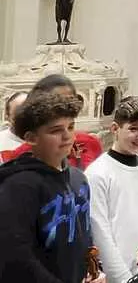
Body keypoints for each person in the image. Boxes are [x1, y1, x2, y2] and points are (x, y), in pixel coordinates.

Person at [0, 90, 99, 283]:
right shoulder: (17, 186)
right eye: (55, 130)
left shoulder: (78, 179)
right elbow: (16, 258)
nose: (67, 136)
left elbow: (83, 238)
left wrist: (92, 270)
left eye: (70, 127)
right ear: (31, 138)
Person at [86, 96, 138, 283]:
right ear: (115, 129)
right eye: (133, 129)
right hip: (117, 274)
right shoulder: (98, 173)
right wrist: (124, 279)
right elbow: (101, 233)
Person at [7, 74, 104, 168]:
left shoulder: (89, 142)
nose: (65, 106)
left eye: (70, 100)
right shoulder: (21, 155)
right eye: (56, 99)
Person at [0, 90, 28, 155]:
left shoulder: (46, 140)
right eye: (19, 110)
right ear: (7, 116)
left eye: (29, 109)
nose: (25, 115)